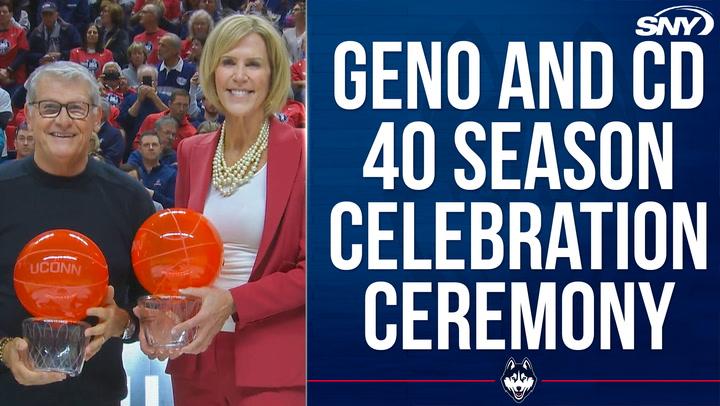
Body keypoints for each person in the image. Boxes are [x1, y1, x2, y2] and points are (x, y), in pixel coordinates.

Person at [137, 14, 305, 405]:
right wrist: (163, 312)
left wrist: (233, 302)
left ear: (273, 74)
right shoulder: (192, 151)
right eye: (229, 62)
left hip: (274, 361)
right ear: (212, 71)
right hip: (196, 357)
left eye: (253, 64)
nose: (239, 76)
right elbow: (183, 256)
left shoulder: (304, 151)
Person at [0, 61, 155, 405]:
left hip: (97, 396)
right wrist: (5, 350)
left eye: (77, 108)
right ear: (29, 115)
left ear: (98, 118)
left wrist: (123, 322)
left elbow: (151, 308)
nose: (63, 120)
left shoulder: (130, 200)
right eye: (50, 107)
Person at [118, 63, 169, 159]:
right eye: (143, 81)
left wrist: (154, 98)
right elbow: (124, 122)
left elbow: (171, 117)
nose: (147, 84)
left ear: (156, 82)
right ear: (138, 83)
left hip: (161, 147)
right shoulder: (130, 99)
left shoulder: (165, 98)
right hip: (134, 148)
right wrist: (139, 100)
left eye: (150, 81)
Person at [27, 1, 82, 71]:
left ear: (57, 15)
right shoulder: (36, 33)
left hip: (66, 67)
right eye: (45, 15)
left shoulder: (68, 29)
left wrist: (61, 55)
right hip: (44, 68)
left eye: (50, 14)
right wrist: (42, 57)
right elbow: (29, 54)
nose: (48, 17)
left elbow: (78, 49)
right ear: (41, 16)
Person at [136, 131, 176, 207]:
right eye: (146, 145)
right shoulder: (135, 173)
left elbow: (173, 204)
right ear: (140, 149)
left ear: (161, 148)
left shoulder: (172, 174)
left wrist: (152, 194)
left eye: (154, 145)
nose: (151, 148)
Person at [0, 0, 29, 96]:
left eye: (4, 12)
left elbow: (23, 53)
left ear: (11, 14)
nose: (1, 14)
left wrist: (8, 70)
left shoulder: (19, 32)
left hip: (16, 77)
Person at [156, 32, 195, 97]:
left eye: (163, 46)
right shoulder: (154, 70)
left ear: (175, 50)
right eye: (159, 44)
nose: (159, 49)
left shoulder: (191, 71)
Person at [98, 1, 130, 67]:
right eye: (101, 11)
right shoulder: (99, 32)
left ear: (114, 15)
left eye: (105, 11)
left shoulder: (121, 34)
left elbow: (121, 55)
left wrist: (104, 56)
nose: (101, 14)